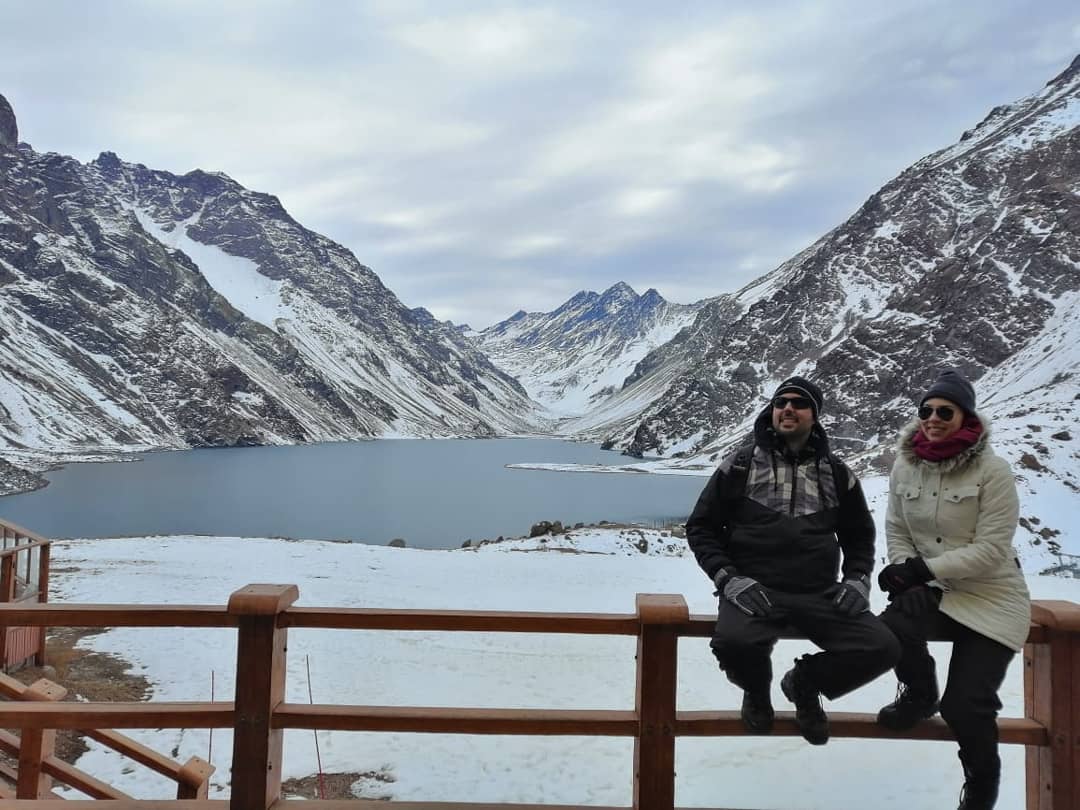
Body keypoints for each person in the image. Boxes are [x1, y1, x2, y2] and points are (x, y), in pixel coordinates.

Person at [686, 377, 900, 744]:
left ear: (814, 416)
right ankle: (756, 690)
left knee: (882, 647)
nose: (787, 408)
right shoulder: (739, 466)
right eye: (780, 402)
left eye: (799, 403)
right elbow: (701, 527)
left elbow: (859, 536)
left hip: (818, 592)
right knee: (735, 644)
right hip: (753, 589)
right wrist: (729, 579)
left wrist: (857, 579)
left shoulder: (837, 474)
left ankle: (806, 682)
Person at [876, 369, 1030, 810]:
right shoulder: (906, 465)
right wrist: (900, 568)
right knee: (890, 627)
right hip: (937, 588)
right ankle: (920, 693)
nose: (933, 418)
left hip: (991, 597)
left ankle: (980, 788)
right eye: (926, 410)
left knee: (966, 707)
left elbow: (991, 549)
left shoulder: (993, 470)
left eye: (945, 411)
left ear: (966, 417)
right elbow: (896, 526)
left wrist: (920, 570)